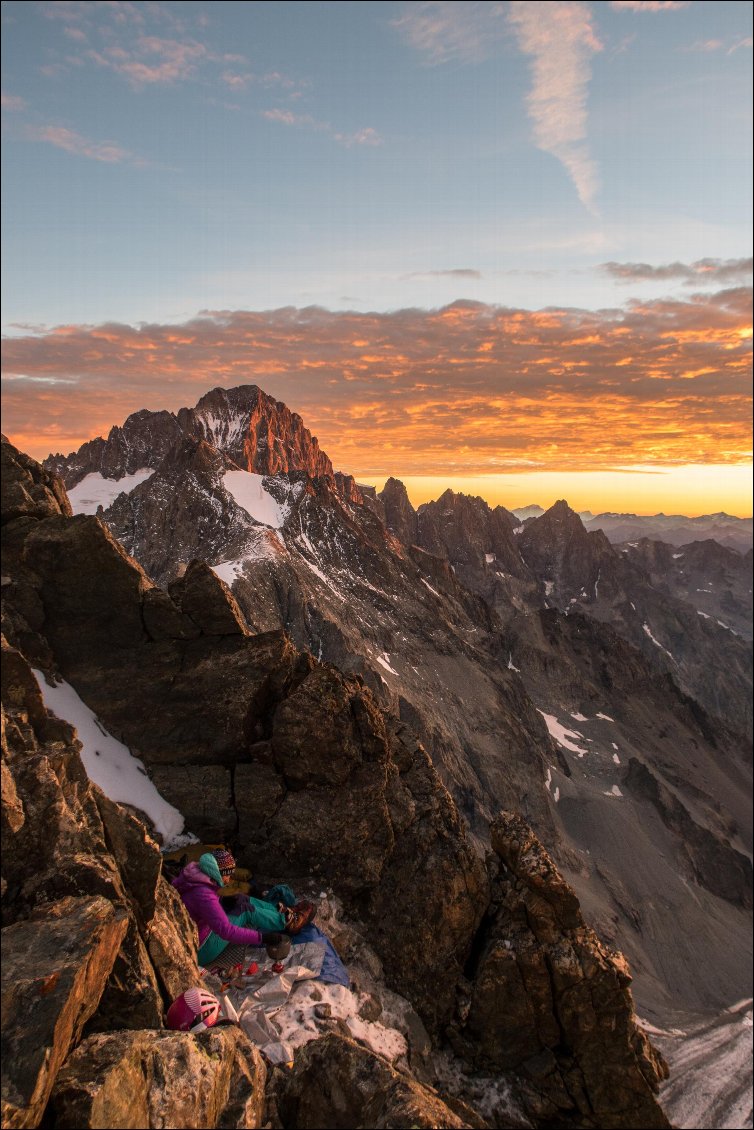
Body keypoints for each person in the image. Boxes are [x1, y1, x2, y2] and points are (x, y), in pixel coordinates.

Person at [172, 849, 315, 967]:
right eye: (228, 875)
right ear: (219, 873)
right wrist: (263, 938)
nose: (229, 880)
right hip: (199, 951)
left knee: (240, 899)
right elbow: (226, 931)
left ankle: (282, 913)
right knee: (244, 911)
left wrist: (223, 900)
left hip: (199, 934)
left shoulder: (196, 876)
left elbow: (201, 907)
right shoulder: (203, 894)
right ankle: (287, 922)